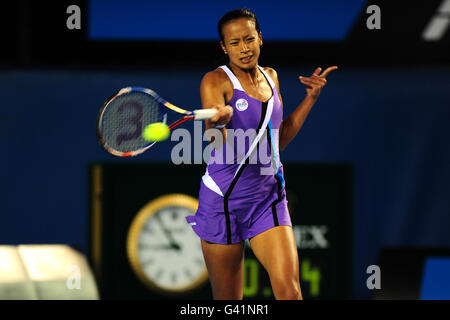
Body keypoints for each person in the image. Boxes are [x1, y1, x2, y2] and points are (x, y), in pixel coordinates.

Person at [186, 8, 337, 300]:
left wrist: (310, 100)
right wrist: (217, 122)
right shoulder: (215, 82)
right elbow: (217, 141)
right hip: (224, 203)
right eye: (235, 43)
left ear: (260, 39)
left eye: (249, 39)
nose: (244, 48)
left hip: (267, 198)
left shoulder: (271, 77)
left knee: (290, 292)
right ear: (223, 47)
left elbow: (276, 141)